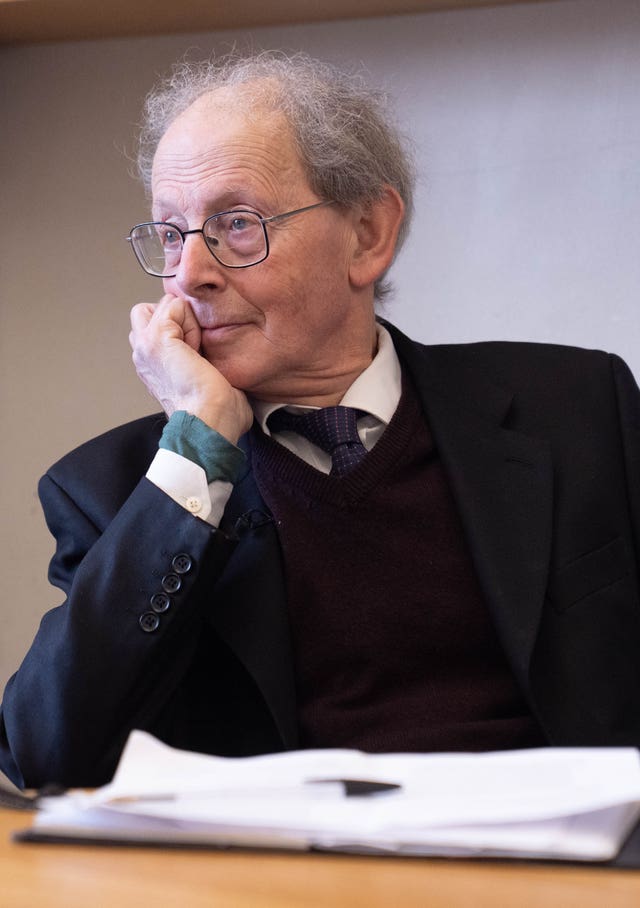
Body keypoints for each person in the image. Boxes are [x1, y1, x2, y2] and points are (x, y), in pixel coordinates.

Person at [2, 52, 640, 790]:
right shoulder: (119, 492)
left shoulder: (576, 408)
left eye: (236, 224)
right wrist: (199, 443)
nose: (189, 274)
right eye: (171, 234)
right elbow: (45, 754)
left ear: (367, 234)